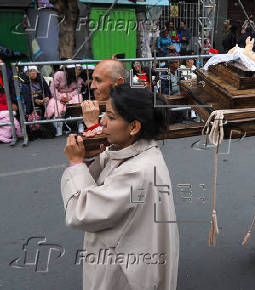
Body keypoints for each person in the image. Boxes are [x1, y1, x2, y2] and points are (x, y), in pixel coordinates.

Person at [61, 85, 179, 290]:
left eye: (110, 117)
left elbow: (81, 211)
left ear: (133, 127)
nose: (102, 122)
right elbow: (108, 171)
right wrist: (93, 155)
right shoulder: (137, 151)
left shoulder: (137, 172)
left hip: (124, 270)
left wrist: (76, 164)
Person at [80, 60, 127, 137]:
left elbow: (113, 144)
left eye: (98, 80)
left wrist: (92, 125)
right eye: (93, 80)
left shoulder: (129, 108)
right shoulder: (115, 103)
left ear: (118, 82)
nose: (92, 86)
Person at [45, 64, 83, 136]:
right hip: (58, 95)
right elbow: (53, 87)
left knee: (78, 101)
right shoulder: (59, 74)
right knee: (56, 106)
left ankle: (79, 124)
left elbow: (78, 89)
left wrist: (70, 96)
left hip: (71, 95)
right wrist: (59, 97)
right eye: (78, 69)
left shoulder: (78, 78)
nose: (79, 71)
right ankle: (58, 128)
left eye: (80, 69)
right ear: (71, 70)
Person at [20, 66, 55, 139]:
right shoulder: (23, 82)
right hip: (30, 102)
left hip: (43, 100)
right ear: (26, 73)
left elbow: (47, 90)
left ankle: (49, 130)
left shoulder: (40, 79)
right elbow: (25, 95)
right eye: (30, 71)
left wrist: (47, 97)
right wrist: (35, 100)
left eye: (34, 71)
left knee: (50, 105)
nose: (33, 73)